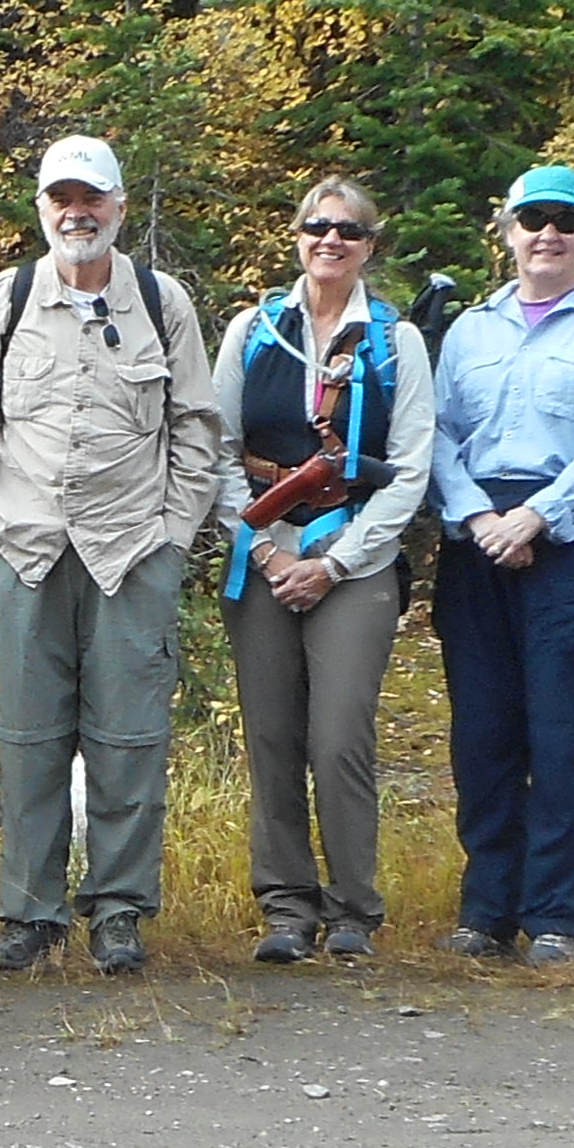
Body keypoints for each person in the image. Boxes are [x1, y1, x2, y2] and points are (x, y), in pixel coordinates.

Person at [0, 135, 224, 975]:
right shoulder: (6, 299)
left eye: (92, 198)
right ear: (41, 209)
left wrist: (171, 539)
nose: (77, 214)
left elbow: (197, 431)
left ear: (119, 207)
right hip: (26, 552)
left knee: (129, 740)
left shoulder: (162, 304)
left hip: (132, 553)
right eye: (62, 199)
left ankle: (119, 911)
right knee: (29, 740)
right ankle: (30, 914)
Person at [426, 160, 574, 963]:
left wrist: (539, 515)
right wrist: (479, 516)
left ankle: (556, 915)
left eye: (565, 221)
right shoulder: (470, 330)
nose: (548, 235)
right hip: (477, 538)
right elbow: (437, 433)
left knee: (564, 735)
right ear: (508, 231)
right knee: (483, 733)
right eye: (533, 220)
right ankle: (486, 911)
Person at [215, 173, 439, 965]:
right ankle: (286, 908)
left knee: (339, 734)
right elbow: (214, 450)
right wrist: (265, 549)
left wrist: (336, 561)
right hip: (263, 552)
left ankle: (353, 909)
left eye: (348, 230)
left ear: (369, 245)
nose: (331, 241)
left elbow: (410, 469)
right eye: (318, 227)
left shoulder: (396, 342)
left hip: (356, 557)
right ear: (298, 237)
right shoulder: (252, 332)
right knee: (272, 735)